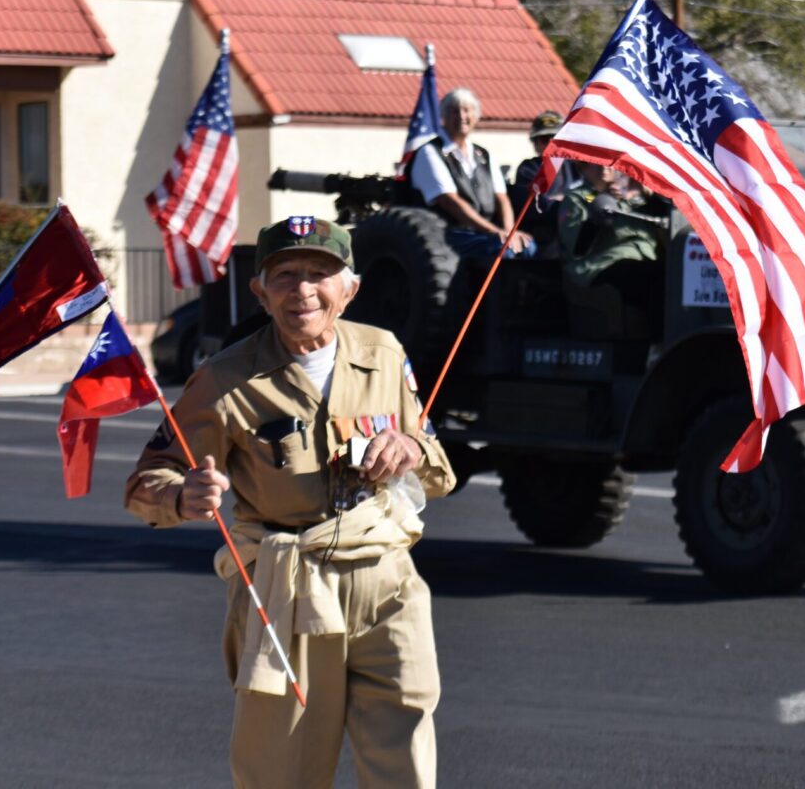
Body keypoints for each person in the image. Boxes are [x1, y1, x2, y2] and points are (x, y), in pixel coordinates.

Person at [124, 216, 456, 789]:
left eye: (320, 274)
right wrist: (183, 495)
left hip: (388, 582)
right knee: (283, 770)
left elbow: (438, 471)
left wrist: (410, 447)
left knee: (406, 761)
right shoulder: (224, 379)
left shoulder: (383, 352)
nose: (303, 289)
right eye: (286, 275)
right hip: (291, 591)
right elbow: (145, 483)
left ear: (348, 288)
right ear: (261, 290)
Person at [411, 88, 535, 260]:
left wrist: (509, 232)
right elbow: (450, 201)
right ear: (443, 118)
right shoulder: (430, 152)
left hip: (485, 233)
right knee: (502, 249)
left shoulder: (483, 155)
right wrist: (496, 232)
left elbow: (502, 198)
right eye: (455, 111)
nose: (462, 116)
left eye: (467, 110)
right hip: (449, 235)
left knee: (527, 247)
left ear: (476, 116)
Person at [557, 163, 668, 327]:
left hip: (646, 259)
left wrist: (649, 194)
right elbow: (578, 247)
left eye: (611, 164)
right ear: (583, 169)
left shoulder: (633, 197)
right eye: (597, 165)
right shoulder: (581, 197)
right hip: (602, 264)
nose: (605, 169)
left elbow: (667, 219)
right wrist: (602, 199)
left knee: (674, 276)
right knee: (648, 279)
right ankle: (652, 340)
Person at [509, 109, 577, 253]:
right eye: (545, 139)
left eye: (555, 137)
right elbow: (538, 205)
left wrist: (573, 200)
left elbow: (590, 195)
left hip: (574, 232)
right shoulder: (528, 169)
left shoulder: (576, 168)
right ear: (536, 143)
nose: (551, 142)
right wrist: (570, 201)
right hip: (542, 239)